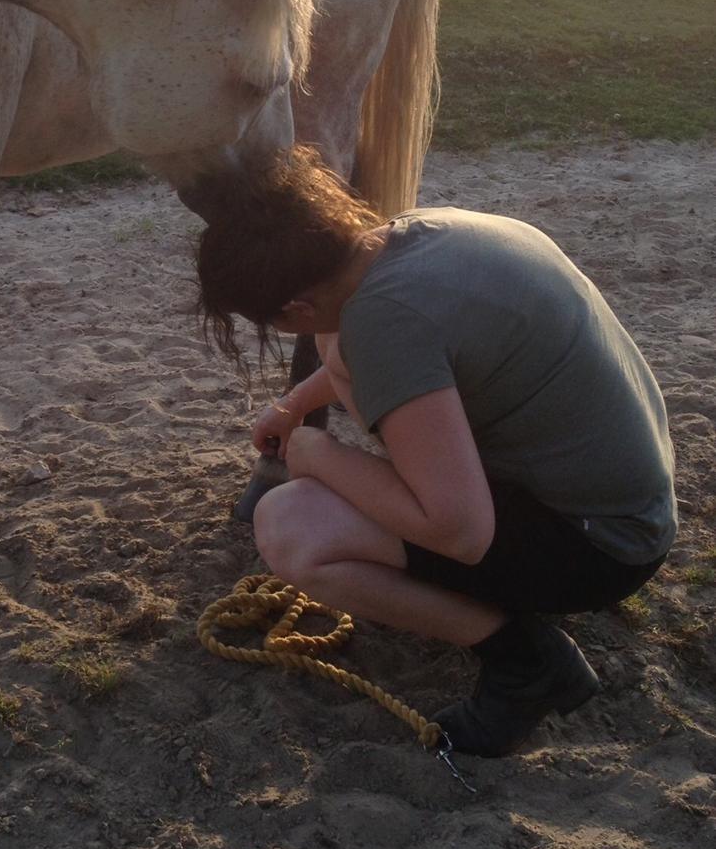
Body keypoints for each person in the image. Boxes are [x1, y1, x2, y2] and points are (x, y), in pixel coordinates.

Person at [195, 147, 677, 757]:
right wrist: (295, 404)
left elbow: (460, 530)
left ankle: (526, 663)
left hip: (601, 549)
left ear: (295, 309)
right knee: (346, 362)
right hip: (628, 507)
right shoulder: (413, 237)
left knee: (291, 525)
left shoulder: (385, 324)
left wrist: (315, 452)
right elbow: (377, 344)